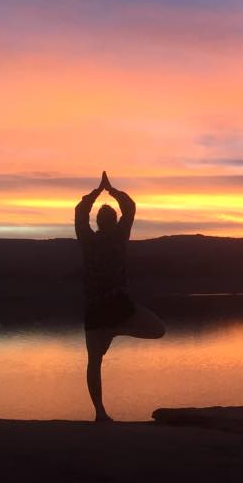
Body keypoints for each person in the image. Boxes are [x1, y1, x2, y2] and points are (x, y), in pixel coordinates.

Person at [75, 171, 165, 422]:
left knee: (94, 362)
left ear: (98, 222)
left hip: (97, 310)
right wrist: (111, 190)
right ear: (114, 222)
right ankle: (118, 330)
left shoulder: (87, 240)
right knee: (159, 330)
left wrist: (95, 193)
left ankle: (100, 413)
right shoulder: (118, 236)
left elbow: (79, 214)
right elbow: (131, 207)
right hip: (117, 305)